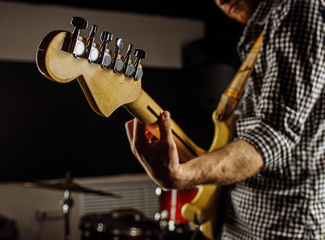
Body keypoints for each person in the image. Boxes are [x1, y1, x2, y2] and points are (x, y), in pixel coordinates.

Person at [125, 0, 325, 239]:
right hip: (238, 224)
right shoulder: (262, 32)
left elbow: (273, 133)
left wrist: (182, 175)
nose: (219, 1)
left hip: (282, 228)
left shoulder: (299, 8)